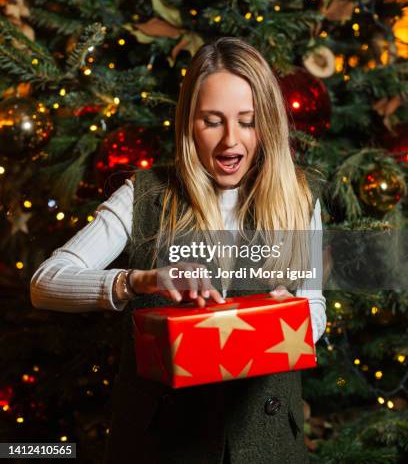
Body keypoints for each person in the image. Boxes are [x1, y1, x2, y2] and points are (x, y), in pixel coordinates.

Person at [30, 37, 327, 464]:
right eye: (213, 121)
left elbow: (314, 305)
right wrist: (139, 280)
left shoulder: (299, 199)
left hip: (269, 442)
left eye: (247, 121)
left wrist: (287, 320)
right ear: (189, 122)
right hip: (160, 445)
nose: (231, 141)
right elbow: (45, 283)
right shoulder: (145, 197)